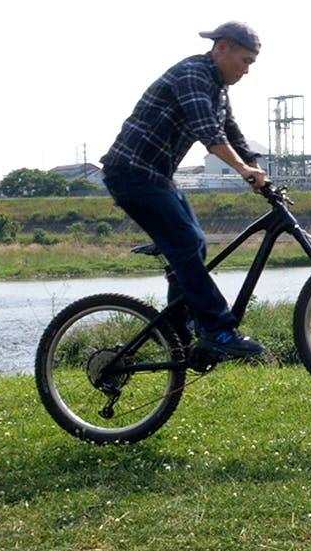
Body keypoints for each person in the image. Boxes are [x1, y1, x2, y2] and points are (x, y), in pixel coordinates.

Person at [100, 21, 269, 359]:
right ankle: (218, 330)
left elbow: (230, 131)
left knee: (194, 245)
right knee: (186, 244)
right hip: (131, 174)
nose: (247, 70)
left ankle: (178, 335)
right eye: (245, 61)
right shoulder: (193, 74)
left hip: (156, 177)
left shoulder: (217, 86)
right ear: (222, 48)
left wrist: (255, 166)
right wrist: (242, 170)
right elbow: (208, 132)